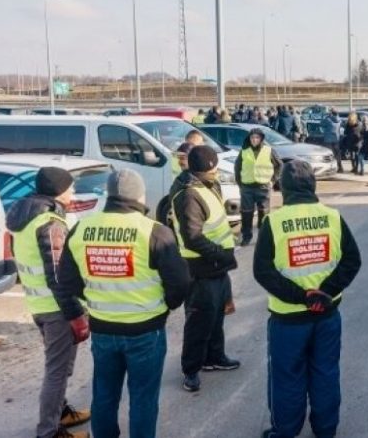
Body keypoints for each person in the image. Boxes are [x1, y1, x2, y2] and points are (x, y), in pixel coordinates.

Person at [54, 170, 191, 438]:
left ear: (109, 195)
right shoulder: (154, 231)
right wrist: (165, 306)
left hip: (103, 329)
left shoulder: (82, 228)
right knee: (143, 399)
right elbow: (181, 283)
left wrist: (98, 297)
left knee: (104, 396)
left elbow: (68, 281)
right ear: (139, 195)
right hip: (145, 330)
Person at [254, 161, 362, 438]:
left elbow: (262, 271)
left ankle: (285, 431)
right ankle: (326, 430)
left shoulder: (274, 222)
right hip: (326, 315)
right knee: (325, 373)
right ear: (313, 185)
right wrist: (323, 293)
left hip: (288, 320)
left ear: (284, 187)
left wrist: (302, 297)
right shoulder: (332, 217)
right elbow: (352, 261)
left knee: (287, 377)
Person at [6, 167, 90, 438]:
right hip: (56, 309)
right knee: (56, 372)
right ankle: (49, 432)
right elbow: (58, 274)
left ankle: (61, 413)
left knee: (61, 366)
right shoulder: (50, 222)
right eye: (71, 187)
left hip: (39, 305)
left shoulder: (26, 216)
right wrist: (75, 312)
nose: (73, 192)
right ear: (58, 190)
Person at [169, 145, 240, 392]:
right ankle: (191, 369)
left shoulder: (205, 185)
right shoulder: (189, 195)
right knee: (199, 320)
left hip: (216, 266)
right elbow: (192, 237)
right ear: (206, 169)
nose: (218, 171)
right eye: (215, 168)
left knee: (216, 315)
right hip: (201, 268)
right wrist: (221, 254)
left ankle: (214, 357)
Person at [234, 128, 281, 246]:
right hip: (247, 187)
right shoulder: (244, 151)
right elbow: (237, 167)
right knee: (246, 213)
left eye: (257, 138)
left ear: (261, 139)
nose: (254, 140)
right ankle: (246, 236)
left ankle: (263, 237)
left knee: (264, 214)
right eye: (252, 138)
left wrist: (273, 180)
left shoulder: (268, 150)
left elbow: (279, 165)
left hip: (263, 187)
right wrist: (240, 183)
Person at [320, 109, 344, 173]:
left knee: (329, 154)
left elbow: (321, 124)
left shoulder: (328, 120)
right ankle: (340, 167)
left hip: (328, 139)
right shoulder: (339, 120)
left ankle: (330, 168)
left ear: (331, 113)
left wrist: (327, 116)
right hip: (336, 139)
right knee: (337, 154)